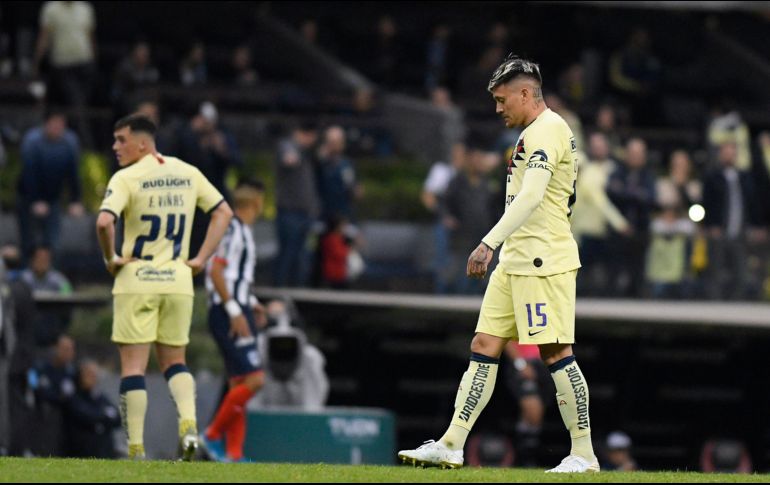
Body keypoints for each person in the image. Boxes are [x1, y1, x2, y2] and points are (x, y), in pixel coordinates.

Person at [398, 54, 599, 473]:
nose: (498, 108)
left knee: (556, 352)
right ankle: (452, 444)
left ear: (526, 93)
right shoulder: (534, 131)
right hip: (516, 260)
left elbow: (531, 196)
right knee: (484, 345)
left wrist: (487, 243)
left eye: (502, 99)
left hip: (543, 260)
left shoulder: (548, 131)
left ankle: (583, 454)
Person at [95, 114, 233, 460]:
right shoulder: (187, 172)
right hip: (177, 281)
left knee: (133, 367)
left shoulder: (127, 177)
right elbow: (223, 213)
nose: (115, 147)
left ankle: (136, 450)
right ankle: (189, 428)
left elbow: (104, 222)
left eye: (121, 140)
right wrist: (200, 258)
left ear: (142, 143)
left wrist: (111, 257)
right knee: (175, 363)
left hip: (137, 280)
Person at [201, 182, 266, 463]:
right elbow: (216, 271)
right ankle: (212, 434)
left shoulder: (243, 231)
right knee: (255, 379)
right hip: (228, 310)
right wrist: (234, 309)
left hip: (239, 306)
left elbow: (235, 277)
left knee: (238, 382)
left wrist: (251, 303)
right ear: (255, 202)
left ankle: (234, 454)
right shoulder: (232, 229)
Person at [16, 110, 85, 262]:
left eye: (61, 125)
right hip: (28, 198)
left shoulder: (69, 142)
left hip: (53, 198)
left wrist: (76, 200)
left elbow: (73, 173)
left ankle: (52, 278)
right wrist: (35, 200)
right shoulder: (32, 141)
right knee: (28, 241)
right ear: (46, 124)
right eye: (54, 124)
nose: (57, 128)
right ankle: (27, 277)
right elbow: (29, 172)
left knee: (53, 242)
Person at [32, 1, 96, 146]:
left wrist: (93, 60)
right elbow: (44, 36)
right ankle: (86, 145)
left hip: (85, 64)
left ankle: (78, 144)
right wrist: (36, 62)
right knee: (75, 105)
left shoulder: (85, 8)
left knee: (81, 106)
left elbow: (90, 36)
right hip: (62, 64)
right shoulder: (50, 8)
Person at [250, 299, 329, 410]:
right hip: (268, 395)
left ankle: (311, 419)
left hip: (299, 395)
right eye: (273, 317)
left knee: (313, 356)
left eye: (280, 315)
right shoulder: (259, 346)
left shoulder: (307, 352)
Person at [273, 123, 319, 287]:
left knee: (301, 254)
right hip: (289, 212)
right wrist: (296, 150)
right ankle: (279, 291)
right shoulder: (287, 145)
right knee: (288, 253)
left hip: (305, 213)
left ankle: (297, 289)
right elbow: (288, 159)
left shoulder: (308, 154)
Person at [65, 359, 121, 458]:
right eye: (88, 374)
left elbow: (118, 419)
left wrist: (99, 417)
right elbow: (86, 416)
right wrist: (104, 416)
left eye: (94, 374)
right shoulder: (74, 396)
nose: (92, 377)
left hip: (104, 451)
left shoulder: (99, 397)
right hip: (81, 451)